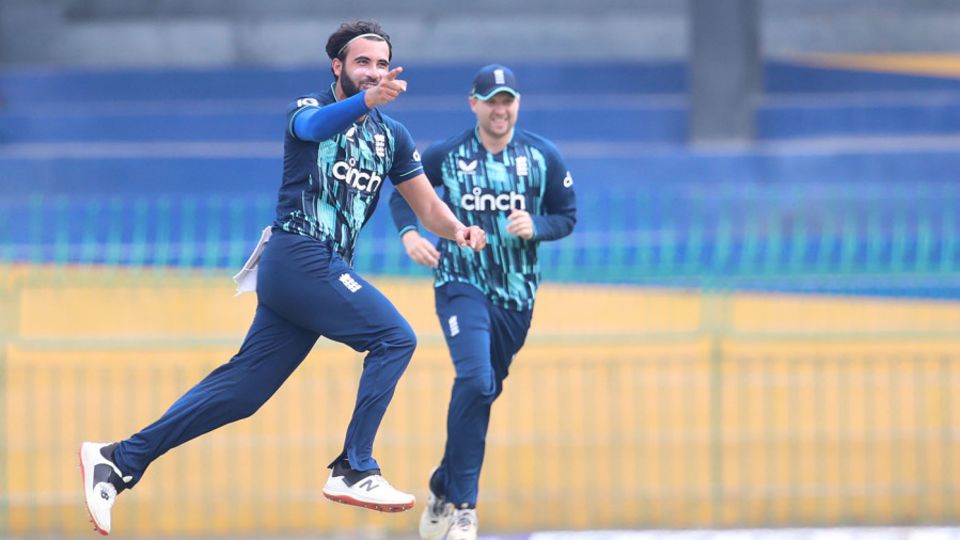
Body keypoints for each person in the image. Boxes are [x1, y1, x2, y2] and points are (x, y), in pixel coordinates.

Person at [79, 20, 487, 535]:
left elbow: (427, 207)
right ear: (336, 66)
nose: (373, 73)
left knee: (242, 393)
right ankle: (355, 467)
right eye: (362, 63)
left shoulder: (392, 137)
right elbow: (314, 130)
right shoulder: (307, 109)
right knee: (394, 337)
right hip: (298, 256)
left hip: (312, 275)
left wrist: (460, 230)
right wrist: (366, 101)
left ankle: (117, 460)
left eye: (382, 64)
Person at [389, 64, 577, 540]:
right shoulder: (448, 154)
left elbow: (567, 215)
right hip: (460, 281)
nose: (500, 109)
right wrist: (410, 233)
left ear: (517, 104)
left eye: (507, 100)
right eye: (491, 100)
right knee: (474, 378)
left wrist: (538, 226)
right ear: (473, 104)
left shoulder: (542, 155)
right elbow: (403, 194)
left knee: (482, 390)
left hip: (517, 295)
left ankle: (441, 485)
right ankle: (464, 508)